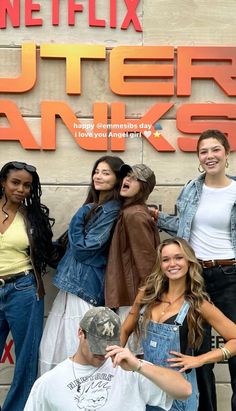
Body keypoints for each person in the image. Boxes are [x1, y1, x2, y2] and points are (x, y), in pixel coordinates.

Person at [151, 129, 236, 411]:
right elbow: (183, 225)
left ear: (226, 153)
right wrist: (155, 217)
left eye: (215, 150)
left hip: (229, 276)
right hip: (195, 276)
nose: (210, 156)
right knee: (194, 353)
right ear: (198, 157)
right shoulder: (191, 188)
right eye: (204, 151)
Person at [121, 237, 236, 411]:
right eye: (165, 259)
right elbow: (125, 330)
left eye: (178, 257)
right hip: (145, 389)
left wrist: (200, 359)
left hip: (179, 395)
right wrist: (113, 363)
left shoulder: (198, 303)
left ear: (189, 261)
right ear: (160, 264)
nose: (172, 264)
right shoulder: (147, 295)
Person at [39, 155, 124, 375]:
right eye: (97, 171)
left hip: (85, 288)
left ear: (117, 179)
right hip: (74, 285)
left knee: (77, 348)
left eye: (106, 173)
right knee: (59, 348)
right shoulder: (97, 207)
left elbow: (85, 249)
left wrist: (79, 215)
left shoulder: (110, 209)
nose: (98, 176)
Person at [24, 306, 192, 411]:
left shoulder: (129, 368)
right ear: (80, 333)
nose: (103, 353)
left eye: (108, 345)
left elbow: (185, 391)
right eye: (97, 345)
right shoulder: (49, 382)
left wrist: (139, 365)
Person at [0, 161, 61, 411]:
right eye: (16, 183)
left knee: (26, 360)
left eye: (27, 185)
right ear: (3, 182)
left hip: (23, 290)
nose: (21, 189)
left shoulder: (32, 217)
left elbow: (48, 252)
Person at [105, 163, 160, 351]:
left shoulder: (134, 215)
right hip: (133, 297)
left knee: (131, 358)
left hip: (135, 299)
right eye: (127, 176)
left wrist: (144, 301)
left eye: (135, 178)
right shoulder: (130, 211)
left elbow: (148, 265)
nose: (127, 179)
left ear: (144, 188)